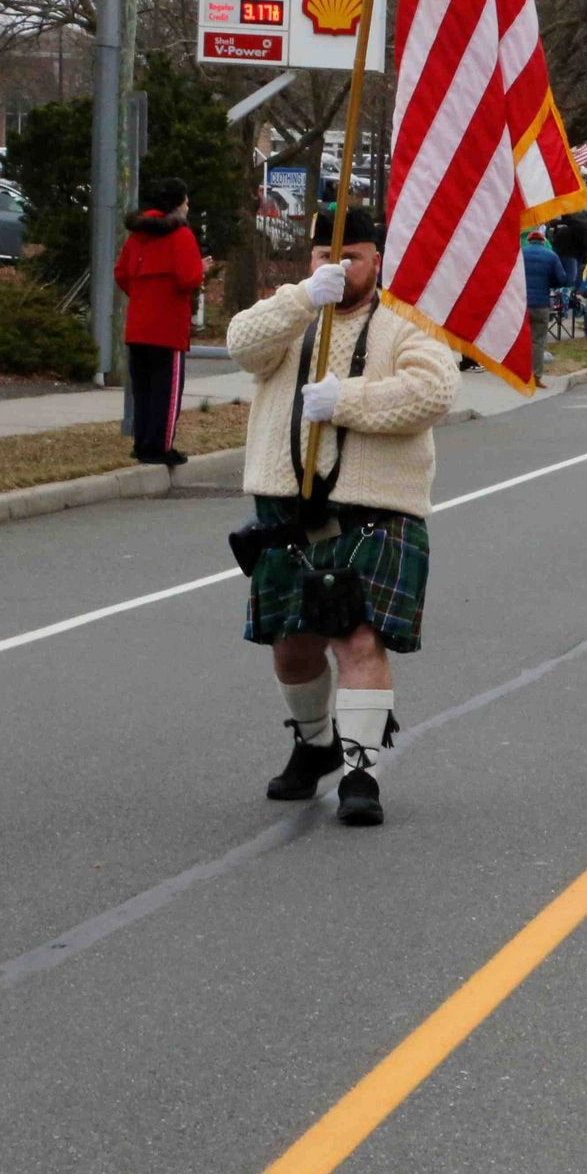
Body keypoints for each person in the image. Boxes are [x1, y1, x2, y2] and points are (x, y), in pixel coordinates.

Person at [227, 206, 460, 827]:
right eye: (326, 256)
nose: (339, 266)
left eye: (351, 255)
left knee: (359, 640)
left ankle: (362, 772)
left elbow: (434, 391)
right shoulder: (290, 311)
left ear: (376, 258)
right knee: (292, 648)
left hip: (375, 510)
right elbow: (241, 345)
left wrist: (346, 401)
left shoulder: (406, 321)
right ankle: (315, 744)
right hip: (286, 511)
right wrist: (302, 298)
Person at [113, 177, 205, 468]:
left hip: (138, 326)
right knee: (166, 392)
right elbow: (189, 278)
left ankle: (141, 443)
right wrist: (201, 268)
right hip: (168, 328)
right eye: (186, 202)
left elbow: (121, 273)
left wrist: (142, 295)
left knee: (142, 391)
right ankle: (160, 447)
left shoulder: (136, 235)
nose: (188, 207)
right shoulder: (181, 236)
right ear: (178, 205)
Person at [520, 226, 571, 379]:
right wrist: (550, 283)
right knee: (538, 340)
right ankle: (535, 375)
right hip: (541, 303)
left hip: (521, 303)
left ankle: (519, 372)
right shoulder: (551, 256)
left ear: (528, 241)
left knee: (521, 338)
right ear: (543, 241)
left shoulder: (521, 253)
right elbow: (562, 279)